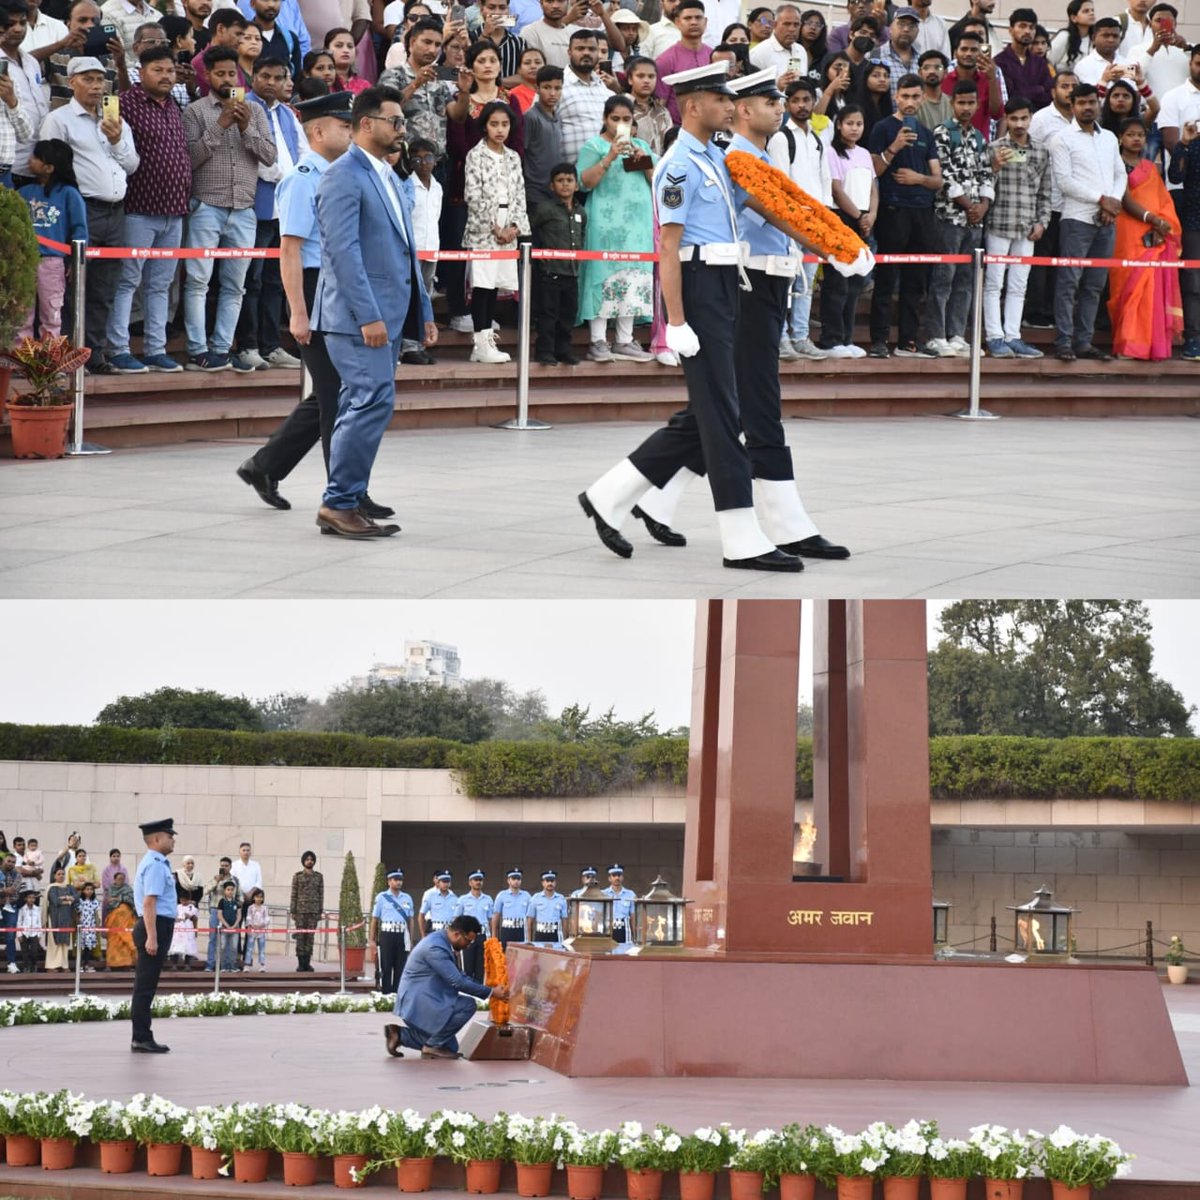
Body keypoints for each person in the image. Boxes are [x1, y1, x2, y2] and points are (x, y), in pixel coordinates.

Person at [580, 60, 806, 571]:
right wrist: (676, 321)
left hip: (726, 286)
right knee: (723, 417)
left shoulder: (715, 157)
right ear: (692, 105)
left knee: (714, 411)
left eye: (731, 98)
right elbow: (668, 247)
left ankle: (608, 496)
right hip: (699, 289)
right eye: (720, 99)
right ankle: (740, 535)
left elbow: (762, 208)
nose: (730, 106)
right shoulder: (678, 164)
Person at [39, 55, 138, 375]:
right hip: (80, 210)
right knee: (70, 286)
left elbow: (132, 165)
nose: (97, 86)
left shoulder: (115, 121)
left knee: (104, 288)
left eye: (101, 80)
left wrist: (116, 139)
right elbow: (49, 168)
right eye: (89, 79)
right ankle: (66, 354)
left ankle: (93, 353)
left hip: (115, 212)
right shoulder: (60, 120)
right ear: (71, 83)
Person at [181, 45, 277, 373]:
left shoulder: (256, 112)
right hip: (206, 205)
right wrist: (220, 125)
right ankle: (197, 350)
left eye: (231, 73)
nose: (226, 79)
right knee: (198, 281)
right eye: (219, 73)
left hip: (244, 210)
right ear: (206, 76)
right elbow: (191, 159)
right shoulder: (195, 111)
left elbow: (269, 156)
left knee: (236, 285)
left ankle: (221, 348)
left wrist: (245, 127)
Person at [103, 43, 191, 374]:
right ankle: (118, 348)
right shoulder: (125, 103)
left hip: (174, 211)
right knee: (127, 281)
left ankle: (156, 349)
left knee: (160, 285)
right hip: (138, 209)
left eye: (170, 70)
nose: (166, 76)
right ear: (141, 73)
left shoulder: (173, 106)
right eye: (158, 70)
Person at [867, 72, 942, 358]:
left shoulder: (925, 132)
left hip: (922, 212)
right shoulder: (882, 128)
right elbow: (874, 169)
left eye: (915, 97)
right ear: (896, 96)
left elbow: (938, 180)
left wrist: (918, 179)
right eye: (905, 96)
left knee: (916, 280)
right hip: (892, 209)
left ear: (923, 98)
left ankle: (908, 341)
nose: (910, 102)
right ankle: (879, 340)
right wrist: (894, 147)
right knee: (886, 277)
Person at [576, 93, 656, 362]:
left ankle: (624, 339)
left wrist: (643, 158)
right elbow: (584, 182)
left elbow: (658, 181)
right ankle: (598, 341)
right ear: (604, 119)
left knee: (633, 278)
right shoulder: (594, 146)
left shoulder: (641, 145)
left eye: (626, 119)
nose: (620, 123)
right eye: (615, 119)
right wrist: (609, 156)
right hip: (605, 224)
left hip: (637, 226)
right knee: (602, 276)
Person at [1050, 81, 1125, 361]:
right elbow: (1065, 181)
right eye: (1082, 103)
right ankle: (1064, 342)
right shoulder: (1062, 139)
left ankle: (1084, 342)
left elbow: (1120, 174)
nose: (1088, 107)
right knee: (1069, 282)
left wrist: (1113, 202)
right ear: (1072, 106)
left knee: (1094, 285)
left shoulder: (1108, 138)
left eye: (1092, 102)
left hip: (1107, 220)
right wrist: (1101, 199)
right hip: (1077, 220)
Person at [921, 79, 993, 357]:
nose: (966, 107)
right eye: (961, 102)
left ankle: (957, 334)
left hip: (975, 220)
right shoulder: (941, 133)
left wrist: (983, 205)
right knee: (943, 278)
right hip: (949, 217)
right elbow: (945, 176)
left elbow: (987, 173)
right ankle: (936, 335)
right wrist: (967, 205)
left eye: (971, 103)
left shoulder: (978, 137)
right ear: (953, 103)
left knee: (966, 280)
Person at [1106, 115, 1180, 359]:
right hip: (1126, 233)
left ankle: (1149, 345)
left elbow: (1164, 203)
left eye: (1140, 135)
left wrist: (1162, 227)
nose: (1136, 139)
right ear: (1120, 138)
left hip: (1154, 237)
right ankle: (1129, 344)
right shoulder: (1115, 165)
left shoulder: (1150, 169)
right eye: (1130, 134)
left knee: (1149, 292)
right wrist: (1153, 220)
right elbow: (1125, 200)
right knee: (1127, 289)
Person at [384, 914, 508, 1058]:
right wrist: (491, 992)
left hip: (426, 999)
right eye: (468, 942)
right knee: (468, 1005)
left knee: (451, 1047)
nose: (468, 946)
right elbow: (457, 981)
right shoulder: (435, 948)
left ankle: (400, 1035)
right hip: (417, 1005)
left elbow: (461, 976)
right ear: (457, 934)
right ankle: (431, 1046)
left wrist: (487, 988)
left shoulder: (441, 941)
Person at [983, 94, 1050, 358]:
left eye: (1024, 118)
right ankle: (994, 337)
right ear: (1006, 120)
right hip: (999, 223)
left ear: (1031, 119)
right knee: (993, 283)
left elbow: (1045, 192)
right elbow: (984, 188)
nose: (1019, 123)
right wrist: (995, 167)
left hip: (1027, 228)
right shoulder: (993, 148)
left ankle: (1013, 336)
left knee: (1019, 285)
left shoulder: (1041, 151)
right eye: (1014, 118)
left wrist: (1042, 222)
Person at [462, 99, 528, 363]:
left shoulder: (513, 157)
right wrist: (495, 227)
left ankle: (486, 341)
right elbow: (473, 195)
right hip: (484, 227)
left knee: (497, 285)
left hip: (508, 224)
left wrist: (514, 227)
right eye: (494, 124)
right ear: (485, 126)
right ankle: (481, 342)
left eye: (505, 124)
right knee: (483, 285)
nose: (500, 129)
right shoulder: (475, 155)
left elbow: (520, 194)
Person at [818, 104, 874, 356]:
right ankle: (831, 339)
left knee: (855, 283)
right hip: (841, 218)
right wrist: (858, 215)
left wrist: (871, 215)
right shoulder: (830, 153)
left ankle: (848, 338)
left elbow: (874, 188)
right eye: (849, 123)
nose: (854, 128)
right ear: (839, 125)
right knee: (837, 283)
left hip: (864, 220)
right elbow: (836, 190)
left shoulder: (864, 153)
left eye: (859, 124)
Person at [15, 139, 85, 342]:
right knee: (22, 314)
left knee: (52, 314)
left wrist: (75, 260)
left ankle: (48, 363)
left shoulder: (69, 194)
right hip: (24, 262)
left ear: (49, 167)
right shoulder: (24, 193)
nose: (30, 160)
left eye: (36, 157)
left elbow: (79, 229)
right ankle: (21, 359)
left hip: (53, 262)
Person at [130, 817, 178, 1052]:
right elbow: (149, 903)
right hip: (154, 925)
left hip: (157, 925)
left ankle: (142, 1035)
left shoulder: (157, 862)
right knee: (145, 986)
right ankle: (141, 1037)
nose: (173, 839)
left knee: (146, 985)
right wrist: (152, 936)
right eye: (170, 836)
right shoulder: (156, 864)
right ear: (157, 839)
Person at [531, 159, 585, 364]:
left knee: (567, 315)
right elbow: (529, 229)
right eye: (560, 180)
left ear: (577, 185)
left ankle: (563, 350)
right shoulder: (545, 208)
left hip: (572, 272)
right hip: (550, 272)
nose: (565, 184)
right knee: (548, 315)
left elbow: (582, 236)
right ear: (552, 186)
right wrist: (537, 251)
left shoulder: (581, 211)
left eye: (569, 180)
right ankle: (544, 351)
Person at [1, 2, 50, 191]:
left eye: (22, 23)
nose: (17, 29)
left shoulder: (31, 62)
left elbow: (37, 110)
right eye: (10, 24)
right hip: (8, 162)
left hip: (35, 163)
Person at [1167, 109, 1200, 360]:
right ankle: (1193, 338)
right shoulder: (1193, 143)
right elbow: (1176, 176)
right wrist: (1184, 143)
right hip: (1194, 220)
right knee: (1193, 283)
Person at [655, 0, 713, 124]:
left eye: (698, 18)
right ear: (677, 22)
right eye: (687, 18)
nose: (693, 22)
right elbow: (660, 105)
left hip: (711, 129)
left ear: (705, 22)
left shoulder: (712, 55)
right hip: (677, 131)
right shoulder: (665, 60)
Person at [557, 27, 607, 163]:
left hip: (605, 173)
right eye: (580, 49)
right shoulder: (557, 85)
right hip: (569, 175)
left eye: (592, 49)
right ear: (569, 52)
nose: (586, 53)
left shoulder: (604, 88)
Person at [943, 28, 1005, 138]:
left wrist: (992, 79)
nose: (968, 54)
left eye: (973, 50)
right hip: (948, 145)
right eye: (964, 49)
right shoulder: (944, 81)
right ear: (955, 53)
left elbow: (996, 114)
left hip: (979, 146)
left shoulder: (989, 80)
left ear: (981, 53)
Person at [522, 62, 563, 213]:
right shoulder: (530, 117)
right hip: (534, 191)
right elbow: (521, 152)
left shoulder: (558, 117)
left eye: (557, 88)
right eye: (547, 88)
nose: (553, 93)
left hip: (554, 190)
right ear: (537, 89)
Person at [994, 7, 1052, 112]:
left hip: (1038, 119)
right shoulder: (999, 62)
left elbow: (1049, 96)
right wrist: (1038, 90)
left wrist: (1025, 92)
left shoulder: (1040, 63)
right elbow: (1008, 96)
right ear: (1011, 30)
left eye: (1031, 27)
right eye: (1022, 26)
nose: (1027, 31)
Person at [369, 868, 414, 993]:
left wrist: (410, 938)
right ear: (389, 881)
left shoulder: (407, 898)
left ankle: (397, 993)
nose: (398, 882)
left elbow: (410, 920)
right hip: (387, 935)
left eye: (400, 880)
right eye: (395, 880)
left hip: (402, 935)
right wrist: (372, 939)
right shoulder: (382, 897)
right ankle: (386, 993)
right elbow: (375, 919)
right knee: (386, 965)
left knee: (400, 966)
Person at [454, 869, 494, 983]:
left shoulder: (488, 899)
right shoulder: (463, 899)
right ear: (470, 882)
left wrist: (491, 938)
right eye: (475, 880)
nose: (478, 882)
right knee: (467, 968)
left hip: (483, 936)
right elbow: (456, 919)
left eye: (480, 880)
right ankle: (467, 995)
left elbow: (491, 920)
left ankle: (479, 998)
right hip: (467, 937)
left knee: (481, 968)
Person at [289, 849, 324, 971]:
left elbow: (321, 895)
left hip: (313, 911)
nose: (309, 861)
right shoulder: (298, 876)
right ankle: (300, 963)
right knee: (300, 937)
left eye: (311, 859)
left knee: (310, 937)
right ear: (303, 861)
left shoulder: (319, 877)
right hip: (300, 911)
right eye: (307, 859)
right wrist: (293, 911)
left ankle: (307, 962)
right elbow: (294, 894)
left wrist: (320, 911)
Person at [204, 855, 238, 969]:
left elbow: (240, 895)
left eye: (226, 866)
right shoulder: (215, 878)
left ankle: (226, 965)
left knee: (228, 938)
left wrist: (238, 905)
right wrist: (216, 881)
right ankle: (210, 964)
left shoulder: (234, 880)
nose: (224, 868)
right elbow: (205, 890)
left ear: (230, 867)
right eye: (222, 866)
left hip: (229, 910)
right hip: (215, 910)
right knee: (213, 937)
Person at [44, 867, 75, 972]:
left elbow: (76, 898)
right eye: (59, 874)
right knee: (54, 942)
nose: (61, 876)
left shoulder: (69, 887)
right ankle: (51, 966)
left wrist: (64, 899)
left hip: (66, 917)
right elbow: (55, 901)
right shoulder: (52, 888)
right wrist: (68, 898)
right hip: (54, 917)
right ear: (54, 876)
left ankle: (64, 965)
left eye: (63, 874)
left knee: (64, 943)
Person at [491, 867, 532, 946]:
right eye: (513, 879)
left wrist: (529, 939)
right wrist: (494, 937)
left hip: (521, 930)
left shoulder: (527, 896)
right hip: (507, 929)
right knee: (506, 954)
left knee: (522, 955)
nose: (516, 881)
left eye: (518, 878)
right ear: (508, 881)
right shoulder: (502, 895)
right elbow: (496, 916)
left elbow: (529, 918)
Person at [104, 870, 137, 969]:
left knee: (126, 938)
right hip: (114, 919)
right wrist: (119, 899)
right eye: (119, 879)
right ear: (114, 879)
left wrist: (120, 898)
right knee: (114, 940)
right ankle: (113, 964)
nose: (121, 881)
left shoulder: (128, 889)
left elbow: (132, 900)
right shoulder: (111, 889)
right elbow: (109, 902)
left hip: (126, 918)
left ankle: (127, 963)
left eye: (122, 879)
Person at [525, 869, 568, 941]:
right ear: (542, 883)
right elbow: (529, 921)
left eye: (552, 881)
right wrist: (529, 941)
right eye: (547, 881)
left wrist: (565, 941)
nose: (550, 883)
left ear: (555, 882)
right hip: (540, 934)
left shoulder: (561, 898)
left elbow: (565, 921)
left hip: (556, 935)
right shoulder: (535, 898)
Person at [1049, 0, 1092, 69]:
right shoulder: (1065, 36)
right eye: (1086, 11)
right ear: (1073, 18)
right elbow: (1048, 62)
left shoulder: (1095, 38)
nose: (1091, 13)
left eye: (1092, 10)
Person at [915, 48, 951, 128]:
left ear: (945, 72)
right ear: (920, 73)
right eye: (926, 68)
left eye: (938, 68)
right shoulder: (914, 104)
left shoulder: (952, 104)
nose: (932, 71)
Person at [419, 868, 459, 935]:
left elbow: (457, 918)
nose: (446, 884)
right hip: (435, 931)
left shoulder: (455, 898)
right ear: (438, 882)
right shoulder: (431, 896)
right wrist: (423, 935)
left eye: (448, 881)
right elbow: (421, 915)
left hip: (450, 932)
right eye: (443, 881)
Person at [75, 879, 103, 970]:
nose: (89, 891)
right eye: (87, 889)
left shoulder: (94, 901)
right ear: (83, 890)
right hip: (82, 925)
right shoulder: (80, 901)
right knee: (81, 945)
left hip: (91, 925)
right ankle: (80, 965)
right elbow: (77, 912)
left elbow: (97, 912)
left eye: (91, 889)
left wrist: (99, 922)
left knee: (88, 946)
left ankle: (86, 964)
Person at [508, 44, 545, 110]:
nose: (533, 66)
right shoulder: (513, 95)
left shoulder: (552, 92)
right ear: (519, 70)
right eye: (527, 63)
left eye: (538, 62)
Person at [169, 890, 200, 967]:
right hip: (178, 930)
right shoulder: (177, 907)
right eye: (182, 900)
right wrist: (176, 919)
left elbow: (195, 919)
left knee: (188, 947)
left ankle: (187, 964)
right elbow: (172, 917)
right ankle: (174, 964)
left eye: (186, 900)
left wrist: (190, 917)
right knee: (175, 947)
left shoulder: (192, 908)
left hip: (188, 930)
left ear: (189, 900)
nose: (184, 902)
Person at [216, 877, 242, 969]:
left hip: (235, 928)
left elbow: (239, 915)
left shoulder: (237, 902)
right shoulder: (222, 902)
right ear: (224, 891)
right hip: (224, 928)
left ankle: (232, 966)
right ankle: (223, 966)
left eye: (232, 890)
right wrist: (226, 925)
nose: (230, 892)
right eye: (228, 890)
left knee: (234, 948)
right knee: (222, 947)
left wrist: (234, 925)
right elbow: (219, 915)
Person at [242, 886, 269, 970]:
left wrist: (261, 925)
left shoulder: (265, 908)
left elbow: (267, 919)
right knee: (249, 949)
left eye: (261, 897)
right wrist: (251, 925)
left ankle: (262, 965)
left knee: (262, 949)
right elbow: (248, 918)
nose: (259, 899)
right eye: (257, 897)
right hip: (252, 931)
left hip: (261, 931)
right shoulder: (250, 907)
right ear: (253, 897)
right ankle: (247, 965)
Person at [16, 888, 42, 973]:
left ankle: (34, 964)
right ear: (25, 899)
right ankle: (26, 966)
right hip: (24, 933)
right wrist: (19, 934)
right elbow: (19, 922)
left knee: (34, 951)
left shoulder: (37, 909)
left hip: (34, 933)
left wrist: (39, 934)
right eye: (29, 897)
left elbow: (39, 922)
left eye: (33, 898)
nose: (32, 899)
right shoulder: (22, 909)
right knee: (25, 952)